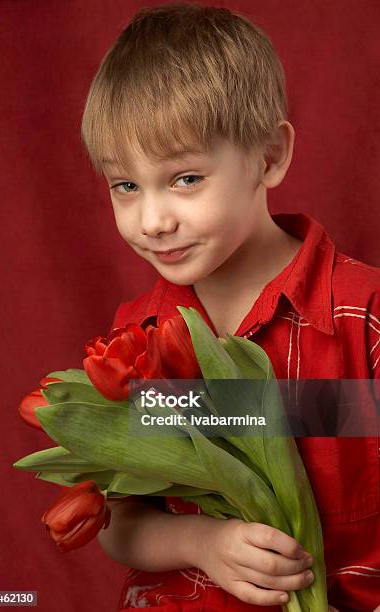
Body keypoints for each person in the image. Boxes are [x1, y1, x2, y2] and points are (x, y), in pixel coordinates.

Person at [80, 3, 380, 610]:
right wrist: (203, 541)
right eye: (125, 185)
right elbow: (119, 520)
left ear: (269, 157)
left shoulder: (364, 315)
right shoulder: (131, 341)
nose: (153, 220)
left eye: (185, 178)